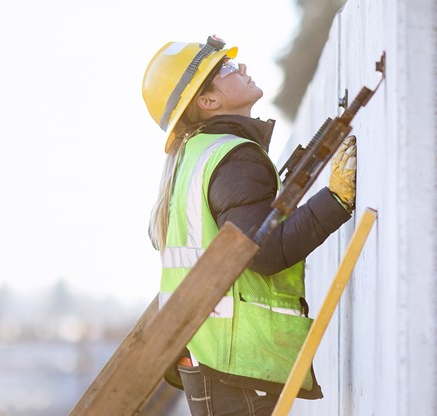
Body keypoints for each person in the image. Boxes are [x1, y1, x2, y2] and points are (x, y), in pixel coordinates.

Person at [142, 34, 357, 416]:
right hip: (235, 367)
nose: (240, 66)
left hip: (210, 358)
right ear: (208, 101)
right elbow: (263, 251)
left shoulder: (194, 157)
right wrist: (336, 200)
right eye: (225, 68)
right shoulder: (233, 157)